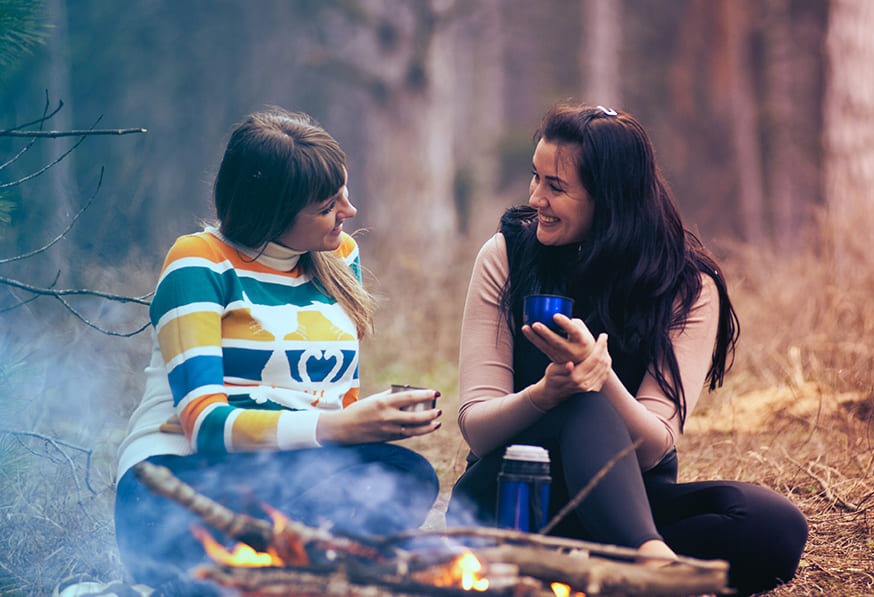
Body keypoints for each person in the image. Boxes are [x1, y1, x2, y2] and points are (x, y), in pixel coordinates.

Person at [446, 104, 807, 596]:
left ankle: (604, 568)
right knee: (579, 403)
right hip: (511, 499)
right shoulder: (507, 256)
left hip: (626, 501)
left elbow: (656, 443)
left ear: (610, 198)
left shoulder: (688, 285)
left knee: (773, 525)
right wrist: (546, 395)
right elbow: (478, 427)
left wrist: (602, 376)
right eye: (536, 178)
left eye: (556, 186)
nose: (536, 198)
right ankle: (648, 564)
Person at [114, 108, 442, 593]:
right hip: (178, 484)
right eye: (329, 205)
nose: (348, 212)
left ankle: (283, 571)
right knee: (334, 494)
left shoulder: (338, 256)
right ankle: (282, 567)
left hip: (284, 478)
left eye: (344, 193)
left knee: (405, 473)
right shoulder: (199, 262)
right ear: (272, 212)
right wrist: (342, 427)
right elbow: (205, 427)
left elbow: (337, 400)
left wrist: (368, 424)